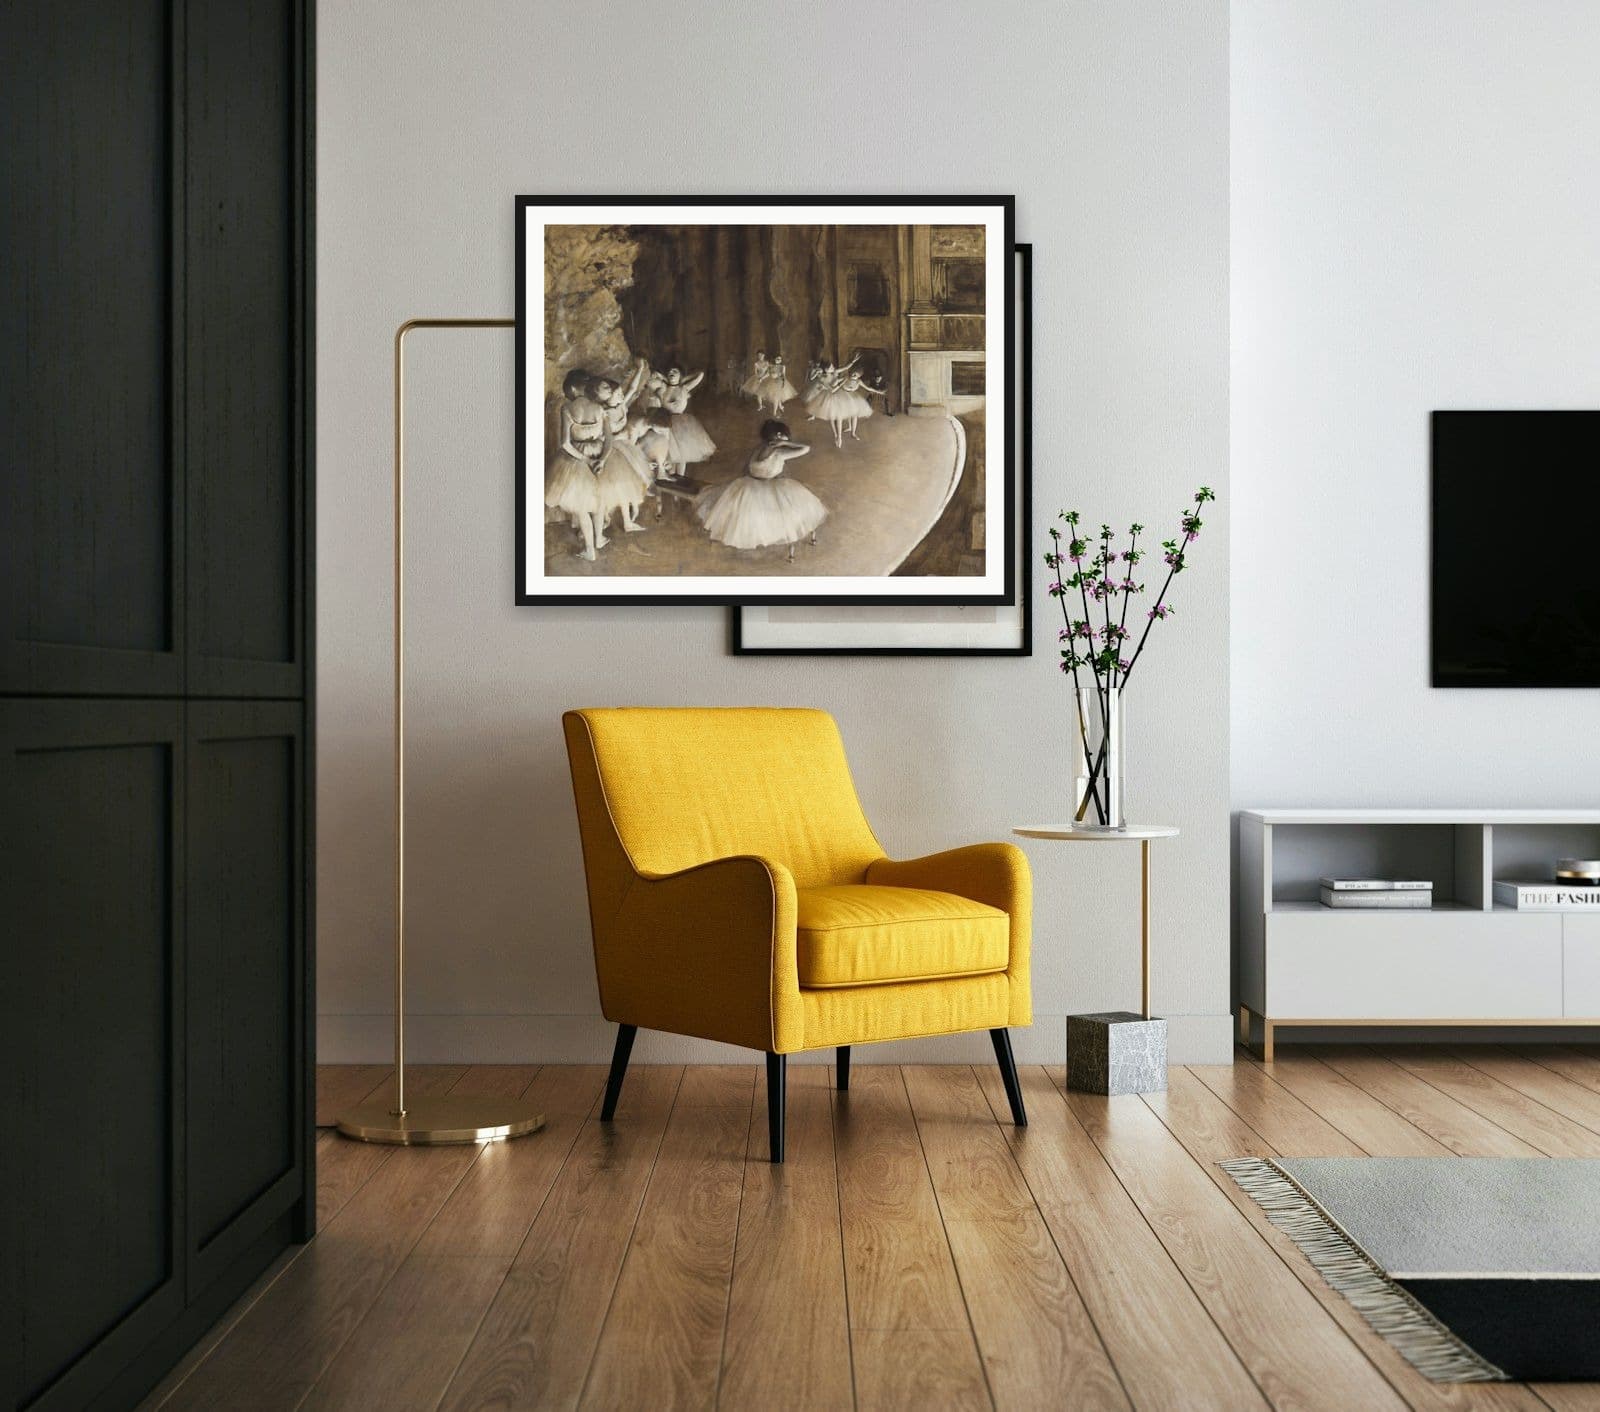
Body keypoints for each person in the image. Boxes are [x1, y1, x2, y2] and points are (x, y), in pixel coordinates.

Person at [696, 418, 826, 561]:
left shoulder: (758, 448)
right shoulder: (779, 453)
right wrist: (785, 443)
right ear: (778, 435)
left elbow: (749, 469)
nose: (788, 437)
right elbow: (806, 448)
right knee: (786, 511)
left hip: (749, 485)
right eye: (785, 435)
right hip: (766, 487)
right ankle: (787, 546)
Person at [544, 369, 610, 560]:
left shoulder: (567, 408)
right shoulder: (599, 407)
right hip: (598, 453)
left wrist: (586, 460)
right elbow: (609, 440)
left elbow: (565, 443)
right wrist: (602, 460)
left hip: (577, 458)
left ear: (572, 388)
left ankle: (590, 550)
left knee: (581, 506)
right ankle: (599, 539)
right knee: (598, 501)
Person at [592, 359, 653, 533]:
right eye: (616, 394)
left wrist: (640, 369)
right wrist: (621, 436)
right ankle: (604, 519)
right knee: (613, 488)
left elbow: (632, 389)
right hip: (610, 451)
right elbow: (604, 436)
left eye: (620, 394)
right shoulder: (603, 412)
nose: (620, 396)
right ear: (606, 396)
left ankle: (627, 523)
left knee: (627, 485)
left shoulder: (621, 405)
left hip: (625, 449)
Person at [660, 367, 716, 466]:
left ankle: (680, 477)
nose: (671, 372)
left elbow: (700, 374)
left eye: (675, 371)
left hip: (681, 423)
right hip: (665, 422)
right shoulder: (663, 388)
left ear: (680, 375)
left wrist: (684, 379)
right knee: (669, 454)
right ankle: (670, 476)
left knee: (682, 453)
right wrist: (662, 377)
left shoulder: (684, 388)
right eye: (669, 371)